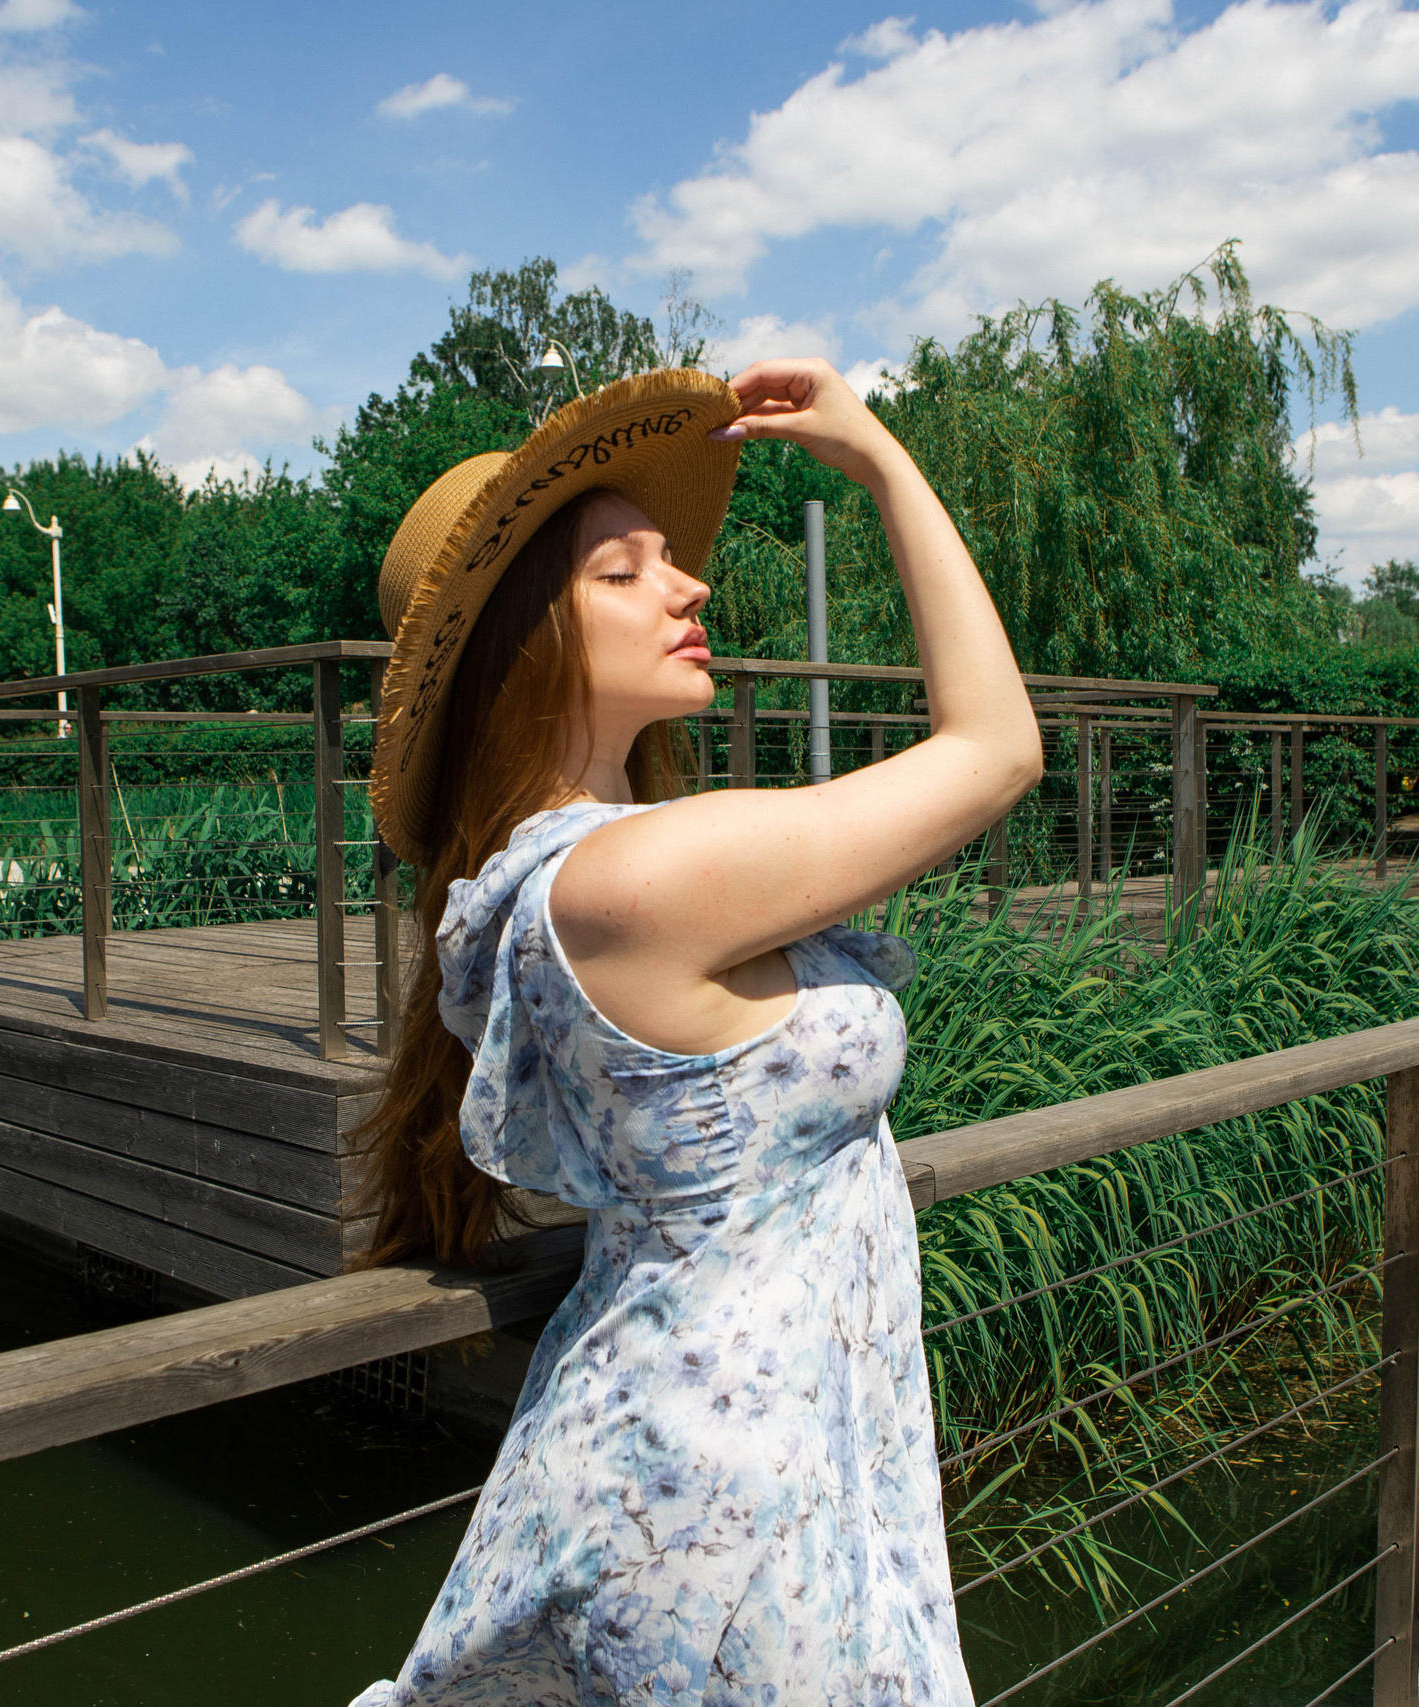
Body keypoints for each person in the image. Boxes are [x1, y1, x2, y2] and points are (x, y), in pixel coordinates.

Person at [350, 359, 1040, 1706]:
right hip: (725, 1517)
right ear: (524, 638)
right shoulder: (625, 883)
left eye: (671, 562)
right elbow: (997, 747)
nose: (691, 589)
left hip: (752, 1467)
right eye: (625, 572)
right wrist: (883, 461)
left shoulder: (585, 872)